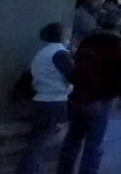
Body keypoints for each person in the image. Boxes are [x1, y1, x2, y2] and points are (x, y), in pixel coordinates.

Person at [59, 8, 121, 174]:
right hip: (101, 96)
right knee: (94, 143)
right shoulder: (116, 44)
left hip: (80, 94)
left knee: (73, 138)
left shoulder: (87, 41)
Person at [17, 23, 73, 174]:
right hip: (54, 100)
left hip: (42, 98)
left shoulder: (43, 52)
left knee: (38, 139)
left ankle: (26, 169)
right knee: (41, 141)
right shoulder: (60, 53)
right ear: (61, 36)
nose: (69, 38)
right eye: (67, 35)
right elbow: (73, 75)